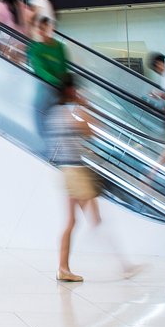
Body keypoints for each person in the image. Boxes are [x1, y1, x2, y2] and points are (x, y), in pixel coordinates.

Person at [41, 77, 136, 283]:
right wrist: (85, 107)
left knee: (73, 221)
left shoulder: (52, 114)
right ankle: (123, 266)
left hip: (65, 170)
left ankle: (64, 268)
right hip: (76, 171)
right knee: (94, 220)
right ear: (71, 91)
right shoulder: (72, 112)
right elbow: (91, 131)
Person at [0, 0, 28, 64]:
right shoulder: (20, 5)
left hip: (7, 36)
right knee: (19, 60)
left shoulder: (1, 5)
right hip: (20, 36)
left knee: (7, 59)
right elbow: (25, 21)